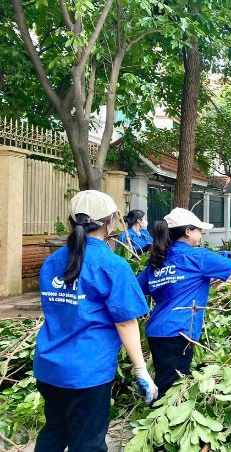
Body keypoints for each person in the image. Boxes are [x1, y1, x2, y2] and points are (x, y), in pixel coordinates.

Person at [34, 190, 158, 451]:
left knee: (54, 432)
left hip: (49, 366)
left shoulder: (51, 262)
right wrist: (141, 370)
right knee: (88, 442)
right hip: (87, 371)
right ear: (110, 223)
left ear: (71, 220)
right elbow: (126, 322)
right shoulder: (111, 265)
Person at [138, 208, 231, 400]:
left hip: (157, 330)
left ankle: (157, 410)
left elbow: (136, 287)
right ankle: (161, 421)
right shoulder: (198, 257)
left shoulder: (159, 260)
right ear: (188, 232)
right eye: (199, 230)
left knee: (166, 379)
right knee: (172, 389)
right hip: (179, 330)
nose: (201, 234)